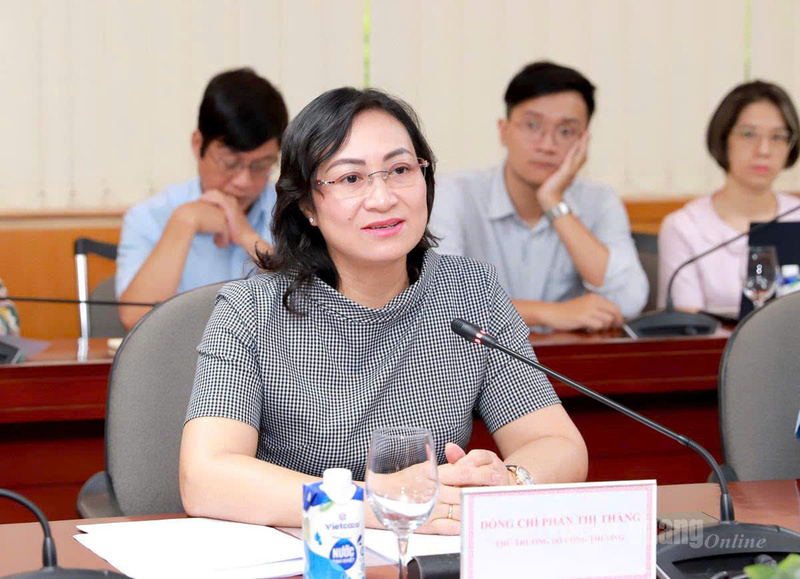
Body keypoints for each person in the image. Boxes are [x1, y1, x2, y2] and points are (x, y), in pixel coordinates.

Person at [179, 87, 588, 533]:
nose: (382, 198)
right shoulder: (252, 310)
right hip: (309, 555)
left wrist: (505, 482)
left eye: (400, 170)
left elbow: (558, 443)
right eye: (350, 178)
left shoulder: (472, 292)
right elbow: (205, 477)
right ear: (307, 204)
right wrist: (380, 502)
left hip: (427, 555)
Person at [430, 61, 648, 331]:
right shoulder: (455, 194)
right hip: (477, 354)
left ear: (584, 141)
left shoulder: (599, 201)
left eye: (566, 131)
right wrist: (549, 314)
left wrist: (554, 201)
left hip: (569, 355)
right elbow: (440, 301)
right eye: (533, 125)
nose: (547, 145)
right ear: (504, 131)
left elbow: (629, 300)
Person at [116, 68, 289, 330]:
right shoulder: (149, 217)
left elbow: (314, 307)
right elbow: (135, 319)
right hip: (182, 355)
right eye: (230, 163)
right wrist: (185, 222)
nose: (243, 181)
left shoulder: (294, 211)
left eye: (261, 165)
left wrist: (245, 234)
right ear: (198, 145)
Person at [659, 81, 800, 314]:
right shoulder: (683, 226)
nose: (764, 150)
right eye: (749, 134)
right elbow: (686, 326)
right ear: (723, 139)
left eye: (778, 137)